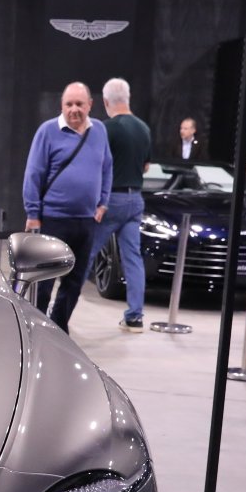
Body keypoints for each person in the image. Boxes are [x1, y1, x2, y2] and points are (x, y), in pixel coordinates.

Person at [21, 81, 113, 336]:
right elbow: (33, 174)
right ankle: (36, 330)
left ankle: (57, 330)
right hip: (52, 220)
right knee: (44, 282)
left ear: (90, 105)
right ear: (61, 106)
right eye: (69, 104)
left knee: (75, 282)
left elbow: (107, 167)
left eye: (79, 104)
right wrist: (33, 214)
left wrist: (103, 202)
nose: (74, 109)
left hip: (86, 221)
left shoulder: (100, 131)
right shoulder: (47, 131)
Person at [93, 78, 153, 333]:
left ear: (106, 102)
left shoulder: (105, 129)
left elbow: (95, 164)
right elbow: (146, 167)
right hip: (135, 199)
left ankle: (61, 311)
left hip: (110, 200)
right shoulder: (144, 129)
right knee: (133, 258)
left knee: (86, 253)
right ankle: (135, 317)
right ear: (127, 98)